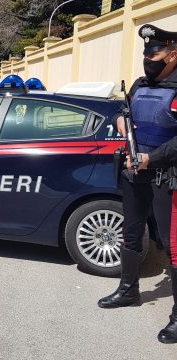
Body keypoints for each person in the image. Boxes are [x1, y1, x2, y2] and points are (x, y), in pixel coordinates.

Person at [97, 24, 177, 344]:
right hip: (134, 174)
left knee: (173, 250)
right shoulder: (140, 86)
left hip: (166, 178)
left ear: (173, 54)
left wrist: (151, 158)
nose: (148, 58)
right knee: (130, 236)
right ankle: (128, 291)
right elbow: (124, 114)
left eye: (154, 52)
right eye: (145, 53)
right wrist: (119, 120)